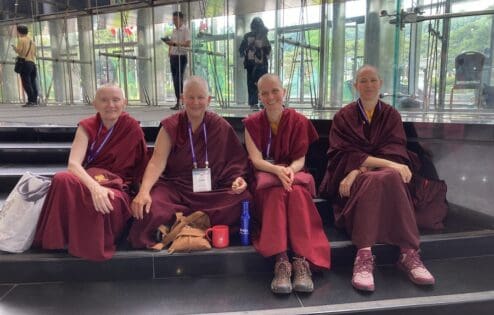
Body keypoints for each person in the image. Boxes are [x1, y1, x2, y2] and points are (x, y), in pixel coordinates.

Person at [319, 65, 435, 292]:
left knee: (387, 176)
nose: (369, 85)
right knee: (389, 174)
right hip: (352, 182)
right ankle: (399, 252)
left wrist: (358, 170)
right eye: (363, 81)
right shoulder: (343, 117)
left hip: (365, 176)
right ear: (355, 86)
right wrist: (385, 165)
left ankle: (377, 253)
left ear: (380, 83)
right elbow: (342, 154)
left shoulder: (391, 115)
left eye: (373, 80)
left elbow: (394, 149)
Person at [128, 76, 251, 249]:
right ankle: (195, 225)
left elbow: (235, 162)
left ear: (208, 100)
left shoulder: (219, 125)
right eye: (190, 97)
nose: (195, 102)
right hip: (176, 188)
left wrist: (238, 180)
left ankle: (177, 226)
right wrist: (144, 191)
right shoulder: (171, 126)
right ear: (182, 98)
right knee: (152, 205)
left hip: (210, 190)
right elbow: (156, 162)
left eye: (200, 97)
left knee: (242, 200)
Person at [33, 85, 148, 261]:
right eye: (104, 100)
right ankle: (61, 239)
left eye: (116, 100)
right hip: (90, 179)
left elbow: (140, 167)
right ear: (95, 104)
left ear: (124, 103)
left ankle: (90, 244)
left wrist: (141, 194)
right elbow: (73, 164)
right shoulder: (87, 126)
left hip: (116, 185)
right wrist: (95, 187)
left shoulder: (132, 128)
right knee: (61, 179)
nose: (110, 105)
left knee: (109, 198)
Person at [243, 74, 330, 294]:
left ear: (284, 92)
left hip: (292, 174)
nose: (270, 97)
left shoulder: (299, 121)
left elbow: (300, 159)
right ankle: (281, 260)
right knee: (274, 195)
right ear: (259, 95)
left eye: (274, 91)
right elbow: (256, 160)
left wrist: (289, 170)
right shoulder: (252, 123)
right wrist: (277, 170)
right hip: (266, 176)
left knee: (297, 195)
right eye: (264, 93)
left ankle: (301, 260)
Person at [239, 17, 271, 110]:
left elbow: (268, 50)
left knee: (256, 84)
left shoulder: (261, 36)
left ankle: (258, 103)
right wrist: (248, 49)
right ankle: (258, 103)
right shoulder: (256, 36)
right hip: (255, 65)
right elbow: (241, 50)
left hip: (257, 65)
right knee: (259, 84)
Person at [163, 11, 191, 110]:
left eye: (176, 19)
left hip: (181, 56)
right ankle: (178, 102)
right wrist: (169, 50)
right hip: (173, 57)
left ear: (181, 19)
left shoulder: (186, 29)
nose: (174, 21)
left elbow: (188, 44)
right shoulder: (174, 31)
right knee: (175, 81)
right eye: (173, 19)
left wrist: (175, 44)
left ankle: (182, 102)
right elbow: (172, 43)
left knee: (178, 79)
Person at [12, 25, 38, 107]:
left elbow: (19, 51)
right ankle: (34, 100)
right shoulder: (31, 41)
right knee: (33, 82)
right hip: (32, 63)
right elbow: (34, 53)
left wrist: (14, 48)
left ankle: (30, 101)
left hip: (25, 64)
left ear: (19, 32)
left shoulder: (21, 40)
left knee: (26, 82)